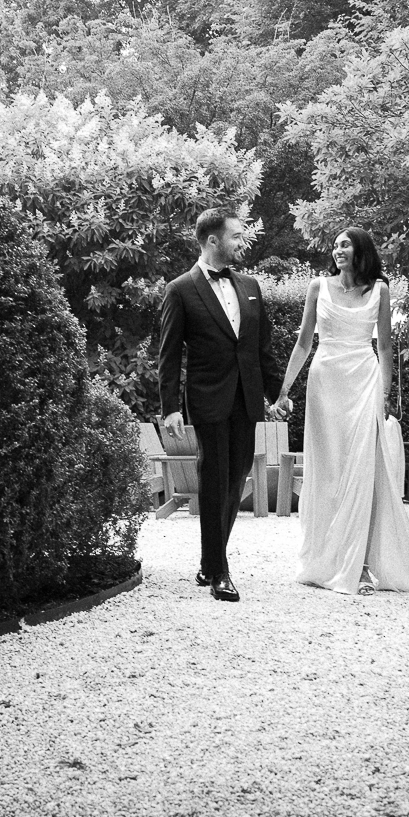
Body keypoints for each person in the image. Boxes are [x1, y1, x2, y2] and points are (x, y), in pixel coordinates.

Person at [276, 227, 409, 596]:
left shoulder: (380, 290)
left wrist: (386, 394)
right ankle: (326, 560)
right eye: (334, 245)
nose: (337, 249)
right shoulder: (317, 287)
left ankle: (358, 565)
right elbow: (303, 342)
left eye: (345, 244)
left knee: (363, 467)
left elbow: (387, 349)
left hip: (364, 382)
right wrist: (282, 391)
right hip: (325, 382)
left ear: (360, 250)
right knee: (328, 469)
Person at [159, 207, 284, 602]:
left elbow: (261, 348)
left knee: (235, 479)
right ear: (213, 240)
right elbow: (168, 355)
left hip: (246, 400)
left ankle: (208, 560)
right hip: (207, 400)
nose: (240, 242)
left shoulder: (250, 285)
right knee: (214, 481)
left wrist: (276, 394)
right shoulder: (180, 289)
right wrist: (170, 407)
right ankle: (220, 572)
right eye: (234, 236)